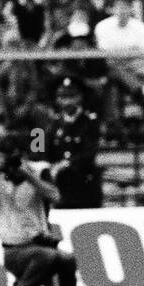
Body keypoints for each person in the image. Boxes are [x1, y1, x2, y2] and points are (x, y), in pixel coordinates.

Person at [0, 134, 88, 286]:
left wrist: (29, 177)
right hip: (13, 249)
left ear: (23, 155)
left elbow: (55, 197)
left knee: (67, 259)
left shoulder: (40, 171)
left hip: (38, 241)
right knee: (47, 256)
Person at [46, 76, 102, 208]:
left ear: (79, 97)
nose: (67, 101)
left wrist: (66, 163)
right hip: (60, 188)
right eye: (63, 96)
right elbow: (40, 149)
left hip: (85, 187)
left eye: (71, 96)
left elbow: (90, 152)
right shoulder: (51, 124)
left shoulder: (90, 122)